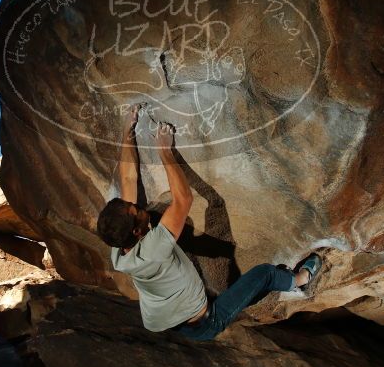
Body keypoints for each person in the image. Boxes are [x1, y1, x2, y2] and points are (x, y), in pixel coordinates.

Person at [96, 104, 323, 341]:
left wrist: (127, 130)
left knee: (242, 289)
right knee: (264, 274)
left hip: (166, 318)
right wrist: (165, 150)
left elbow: (128, 178)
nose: (139, 207)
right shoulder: (154, 249)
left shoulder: (118, 246)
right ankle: (299, 281)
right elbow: (183, 199)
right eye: (136, 211)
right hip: (205, 322)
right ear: (136, 230)